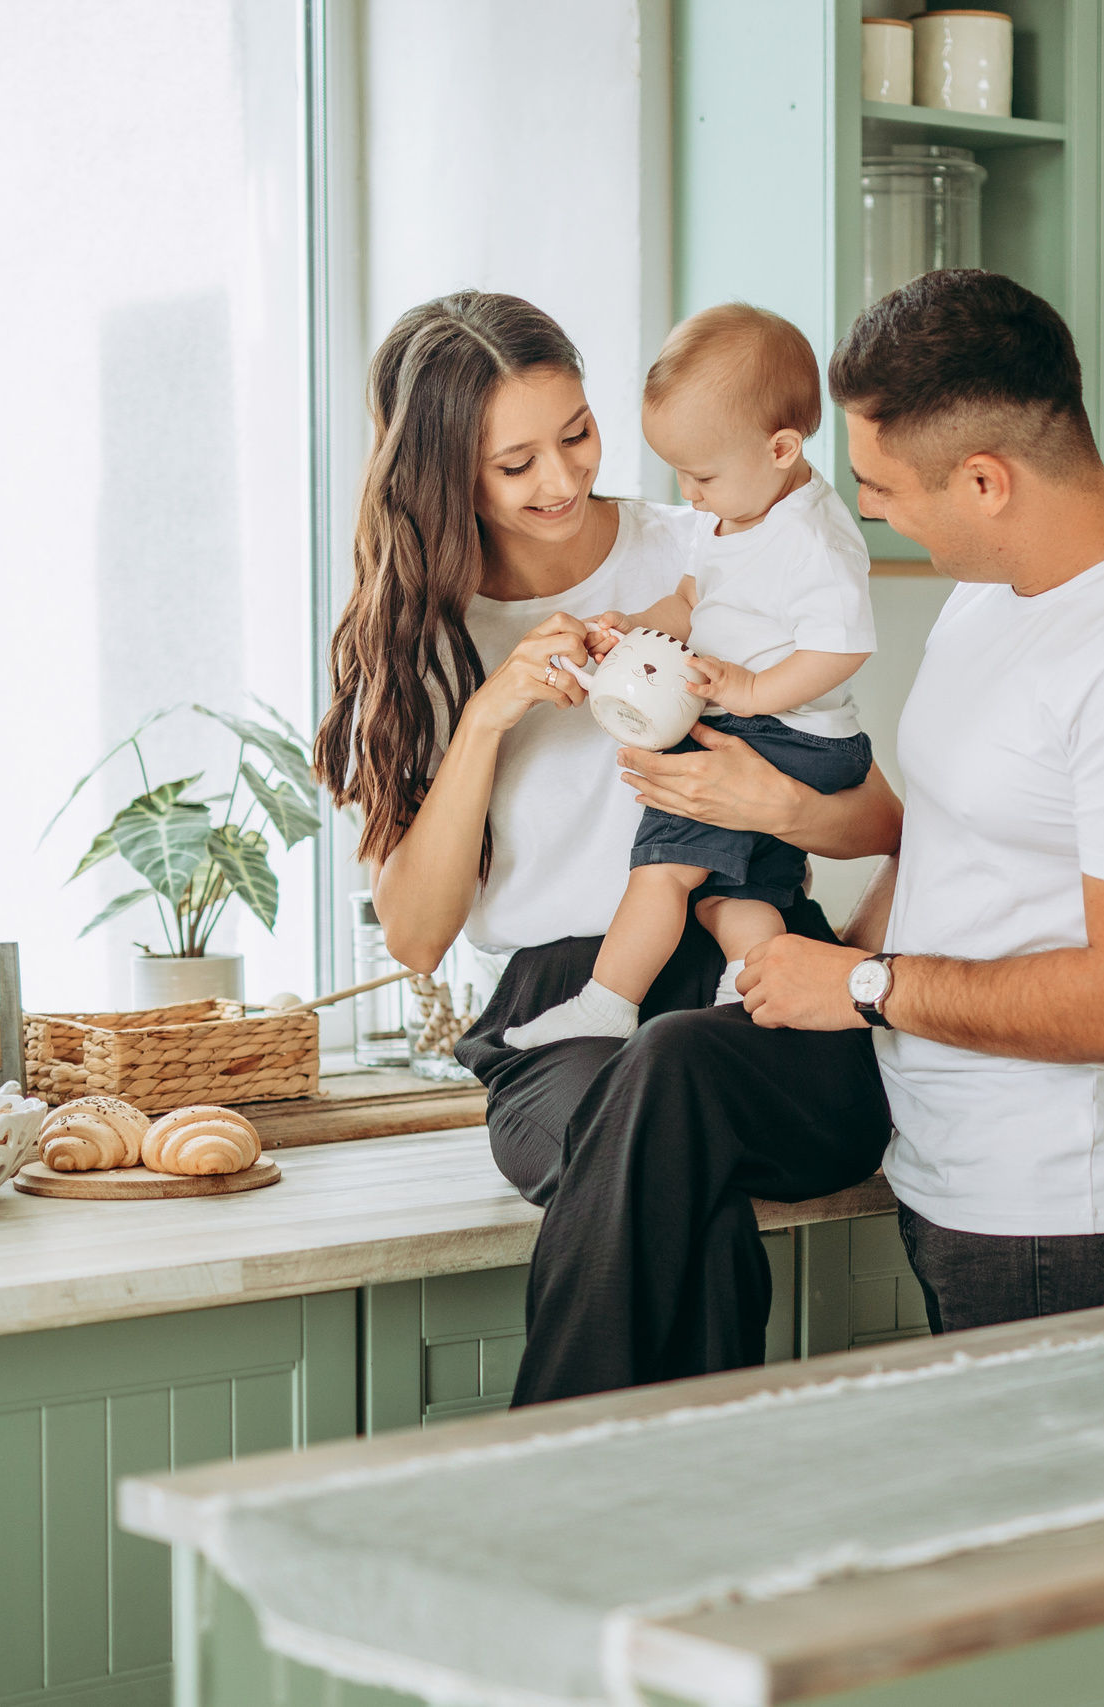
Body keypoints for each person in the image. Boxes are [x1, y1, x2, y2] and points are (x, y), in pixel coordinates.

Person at [314, 291, 897, 1405]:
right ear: (444, 475)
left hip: (762, 983)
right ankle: (666, 1515)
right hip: (564, 1021)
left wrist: (755, 795)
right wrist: (490, 714)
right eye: (514, 462)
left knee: (675, 1067)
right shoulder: (427, 642)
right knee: (666, 1117)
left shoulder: (715, 538)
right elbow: (418, 936)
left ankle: (559, 1487)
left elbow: (878, 822)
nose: (561, 480)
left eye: (576, 433)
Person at [738, 270, 1104, 1334]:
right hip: (950, 1167)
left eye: (882, 488)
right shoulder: (991, 594)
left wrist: (863, 985)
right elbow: (944, 842)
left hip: (1071, 1214)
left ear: (984, 481)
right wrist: (824, 973)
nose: (872, 513)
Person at [503, 303, 877, 1048]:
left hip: (781, 732)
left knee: (663, 868)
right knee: (729, 891)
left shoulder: (812, 537)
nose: (689, 492)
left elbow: (844, 648)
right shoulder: (731, 514)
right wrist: (632, 627)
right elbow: (690, 602)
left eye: (702, 474)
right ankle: (748, 980)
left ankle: (607, 1001)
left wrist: (747, 692)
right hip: (770, 727)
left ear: (780, 447)